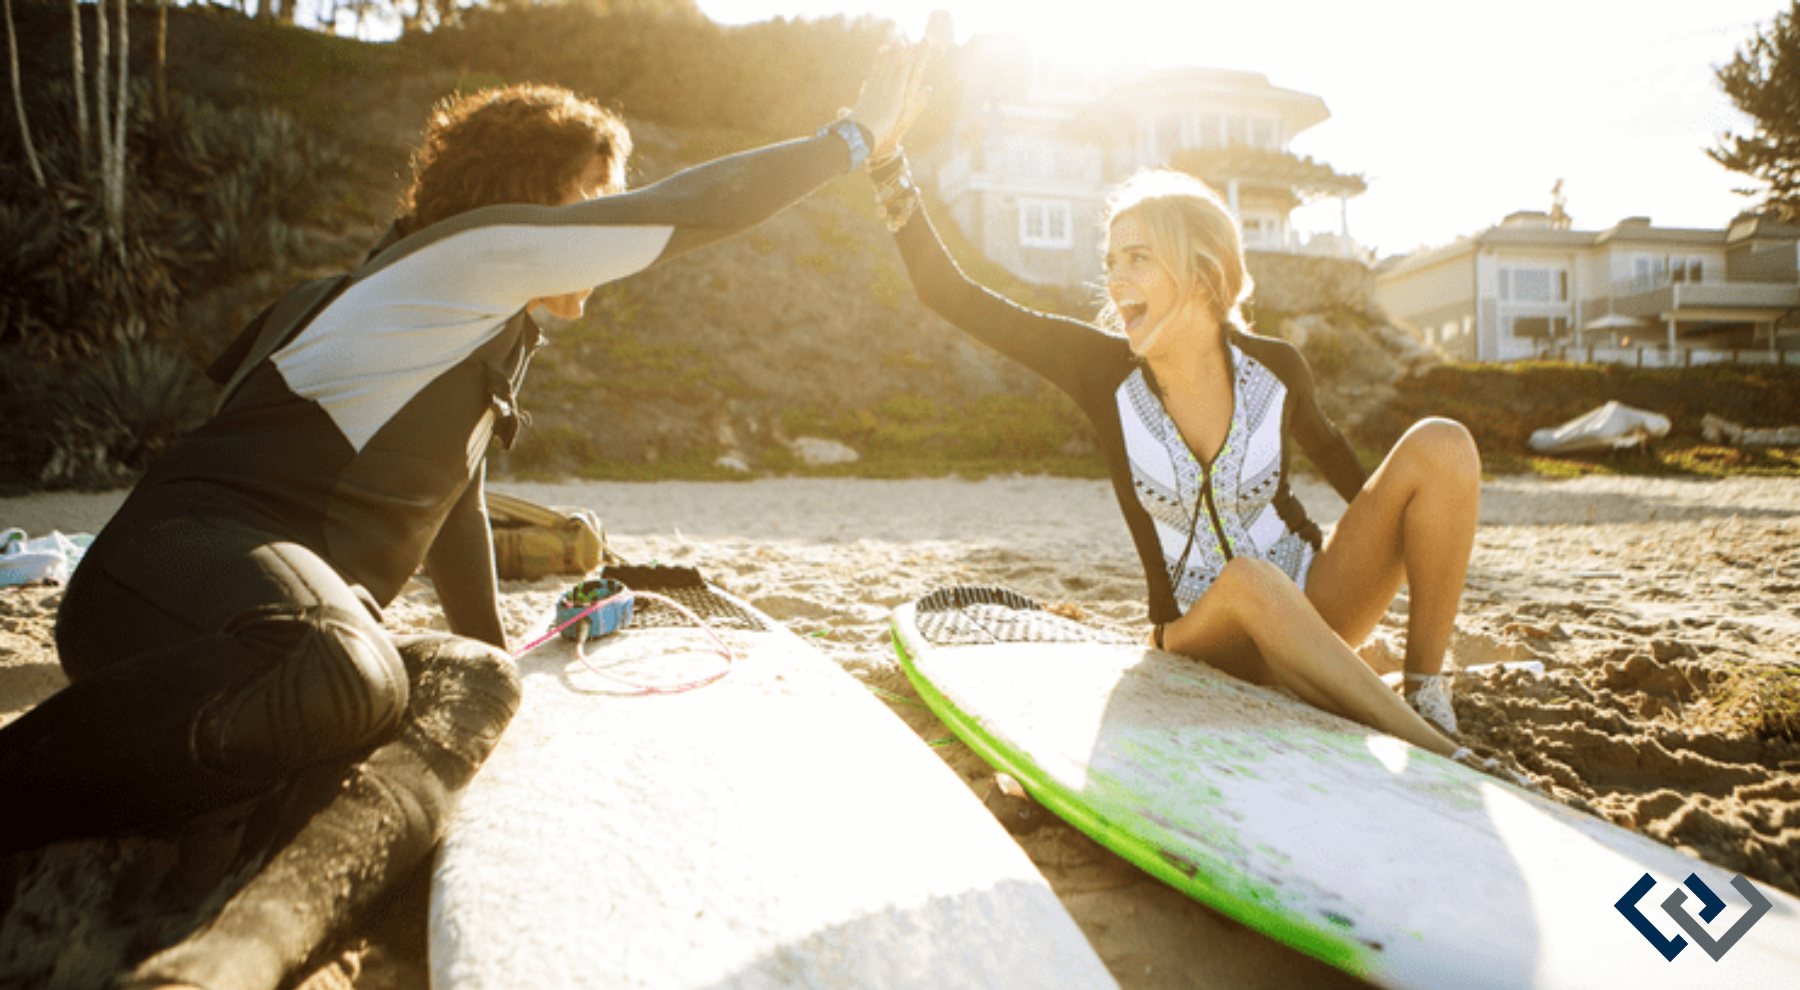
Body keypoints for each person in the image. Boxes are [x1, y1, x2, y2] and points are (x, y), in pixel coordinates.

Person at [0, 44, 930, 990]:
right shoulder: (464, 260)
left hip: (279, 630)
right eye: (594, 196)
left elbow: (456, 504)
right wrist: (849, 139)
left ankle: (229, 959)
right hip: (167, 576)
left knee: (476, 686)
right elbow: (685, 211)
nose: (609, 221)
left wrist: (501, 652)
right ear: (530, 198)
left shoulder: (477, 322)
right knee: (341, 666)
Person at [869, 135, 1504, 768]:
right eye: (1111, 260)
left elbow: (1344, 468)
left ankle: (1425, 693)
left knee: (1442, 444)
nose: (1115, 278)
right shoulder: (1100, 371)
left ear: (1200, 268)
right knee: (1250, 581)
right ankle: (1436, 751)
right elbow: (949, 294)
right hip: (1202, 637)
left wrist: (1413, 536)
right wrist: (889, 165)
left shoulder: (1275, 368)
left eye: (1137, 258)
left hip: (1313, 605)